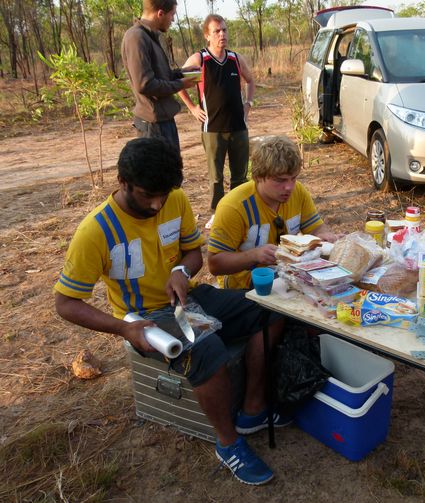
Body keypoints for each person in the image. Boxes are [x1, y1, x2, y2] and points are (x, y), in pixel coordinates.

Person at [53, 137, 289, 486]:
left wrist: (181, 272)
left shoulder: (173, 200)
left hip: (187, 297)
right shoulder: (96, 230)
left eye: (163, 194)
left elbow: (193, 253)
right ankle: (228, 443)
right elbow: (65, 303)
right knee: (208, 349)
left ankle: (252, 409)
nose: (157, 204)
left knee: (270, 307)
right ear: (123, 183)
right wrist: (124, 329)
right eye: (148, 195)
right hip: (145, 317)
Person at [207, 135, 340, 288]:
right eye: (280, 180)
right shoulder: (234, 207)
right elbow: (215, 264)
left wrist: (324, 236)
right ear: (257, 177)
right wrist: (254, 255)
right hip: (244, 284)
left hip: (288, 274)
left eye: (293, 178)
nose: (289, 187)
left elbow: (316, 228)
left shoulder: (298, 192)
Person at [178, 14, 255, 230]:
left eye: (224, 30)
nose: (222, 34)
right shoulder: (200, 60)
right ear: (207, 36)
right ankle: (218, 213)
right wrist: (192, 107)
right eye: (217, 31)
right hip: (212, 128)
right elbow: (178, 82)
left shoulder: (235, 59)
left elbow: (250, 80)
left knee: (240, 175)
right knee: (216, 177)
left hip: (239, 127)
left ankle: (239, 212)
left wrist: (248, 103)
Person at [121, 0, 199, 152]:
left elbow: (162, 76)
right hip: (153, 126)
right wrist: (181, 84)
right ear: (160, 13)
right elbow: (145, 84)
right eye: (172, 15)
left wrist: (183, 72)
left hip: (163, 121)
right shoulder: (136, 37)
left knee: (172, 172)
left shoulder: (150, 37)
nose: (173, 20)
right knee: (159, 174)